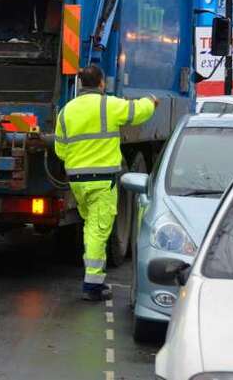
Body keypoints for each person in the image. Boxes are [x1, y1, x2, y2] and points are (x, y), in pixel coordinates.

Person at [54, 65, 157, 301]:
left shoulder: (66, 111)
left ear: (80, 85)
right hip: (101, 180)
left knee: (91, 226)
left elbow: (60, 149)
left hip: (77, 181)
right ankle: (92, 285)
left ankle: (94, 280)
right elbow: (137, 111)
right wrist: (151, 101)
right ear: (101, 84)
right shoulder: (108, 105)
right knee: (97, 230)